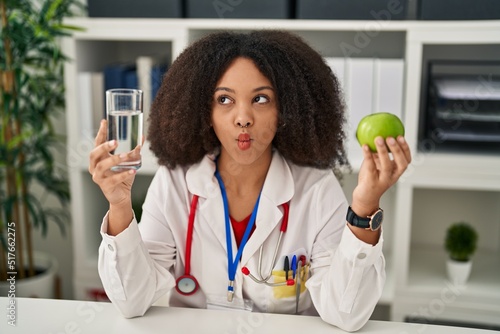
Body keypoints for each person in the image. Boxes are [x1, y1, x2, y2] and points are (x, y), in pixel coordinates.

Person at [89, 30, 411, 332]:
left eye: (261, 99)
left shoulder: (316, 188)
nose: (243, 117)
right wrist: (119, 206)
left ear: (286, 110)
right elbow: (132, 301)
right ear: (205, 112)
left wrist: (366, 205)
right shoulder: (174, 183)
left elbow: (347, 313)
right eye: (224, 100)